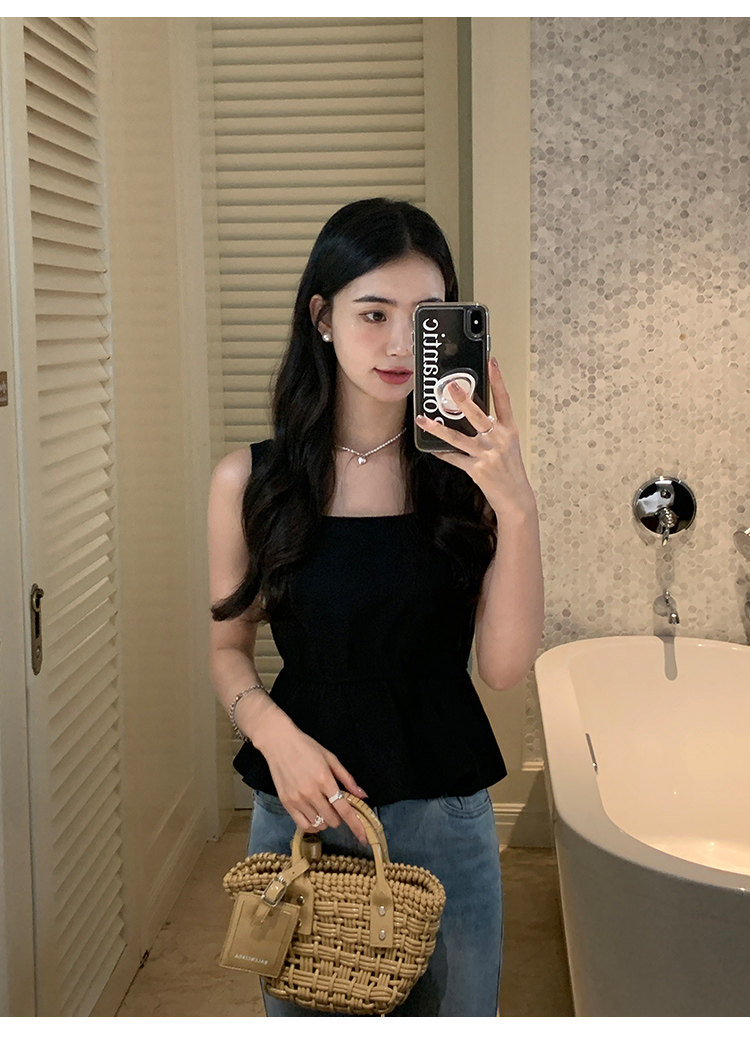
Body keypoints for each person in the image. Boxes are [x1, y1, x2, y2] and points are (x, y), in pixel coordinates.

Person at [207, 198, 544, 1017]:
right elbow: (225, 650)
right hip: (300, 807)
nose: (399, 343)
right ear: (322, 318)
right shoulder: (250, 480)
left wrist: (518, 505)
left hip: (443, 813)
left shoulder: (469, 478)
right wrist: (276, 739)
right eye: (373, 312)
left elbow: (503, 670)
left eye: (425, 318)